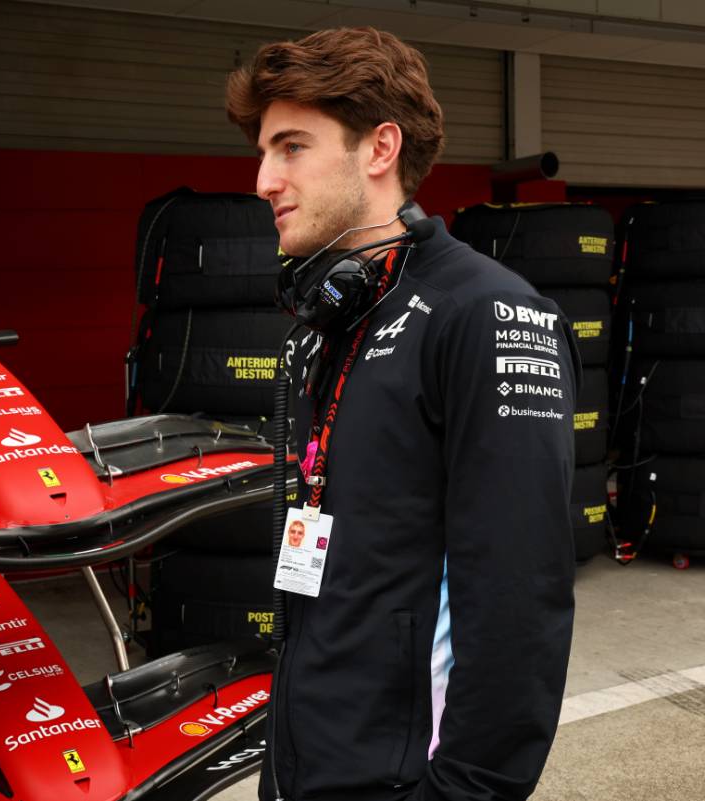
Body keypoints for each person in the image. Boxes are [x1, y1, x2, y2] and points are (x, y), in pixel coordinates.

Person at [226, 28, 578, 801]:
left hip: (406, 779)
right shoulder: (335, 314)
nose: (263, 179)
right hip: (310, 762)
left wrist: (464, 791)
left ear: (379, 148)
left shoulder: (485, 313)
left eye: (290, 147)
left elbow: (521, 594)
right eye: (263, 151)